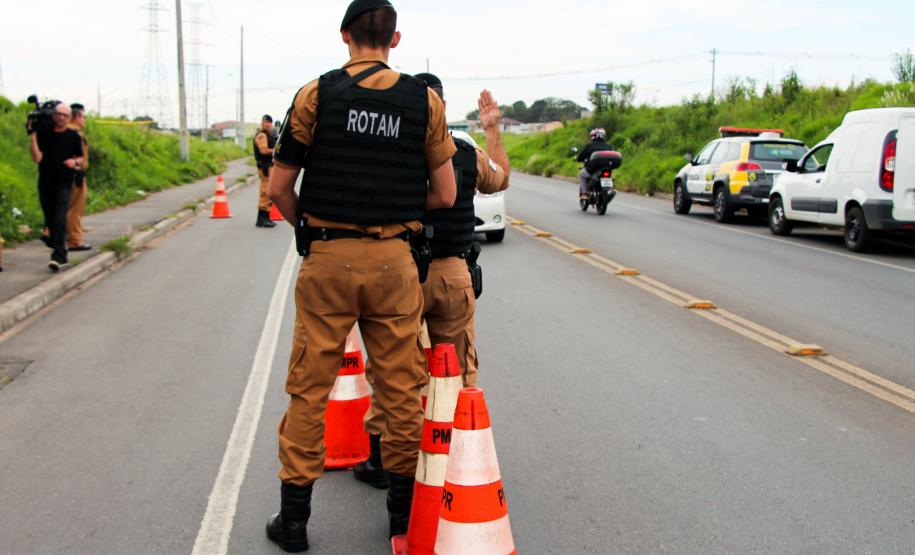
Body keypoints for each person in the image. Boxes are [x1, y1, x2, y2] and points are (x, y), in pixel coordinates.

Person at [265, 0, 457, 551]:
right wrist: (394, 209)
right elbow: (444, 194)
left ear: (345, 35)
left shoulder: (315, 94)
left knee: (309, 389)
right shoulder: (424, 100)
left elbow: (279, 188)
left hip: (327, 256)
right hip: (396, 261)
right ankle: (401, 519)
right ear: (395, 40)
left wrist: (314, 228)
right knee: (401, 391)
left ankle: (295, 523)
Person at [355, 76, 511, 489]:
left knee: (391, 368)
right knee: (457, 367)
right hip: (449, 273)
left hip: (397, 272)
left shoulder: (391, 147)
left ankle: (379, 459)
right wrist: (492, 131)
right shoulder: (464, 150)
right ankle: (460, 459)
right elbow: (500, 178)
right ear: (442, 106)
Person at [29, 102, 84, 272]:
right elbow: (37, 158)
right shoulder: (44, 134)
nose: (61, 117)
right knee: (51, 221)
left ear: (69, 118)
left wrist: (74, 161)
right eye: (58, 114)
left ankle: (58, 257)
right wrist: (32, 136)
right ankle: (60, 250)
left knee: (60, 219)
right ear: (53, 115)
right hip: (45, 183)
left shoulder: (73, 136)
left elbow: (80, 158)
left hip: (64, 183)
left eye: (65, 115)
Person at [66, 103, 92, 251]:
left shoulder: (64, 132)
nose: (84, 120)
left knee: (65, 206)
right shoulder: (73, 134)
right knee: (75, 209)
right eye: (83, 117)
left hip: (68, 174)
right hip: (75, 174)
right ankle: (75, 240)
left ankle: (53, 234)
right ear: (75, 118)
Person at [253, 114, 278, 228]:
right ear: (262, 123)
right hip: (265, 167)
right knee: (265, 191)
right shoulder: (262, 136)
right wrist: (276, 150)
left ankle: (265, 217)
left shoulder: (269, 135)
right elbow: (263, 151)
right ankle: (261, 218)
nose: (268, 124)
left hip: (269, 166)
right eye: (266, 122)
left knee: (268, 191)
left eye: (269, 122)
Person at [577, 127, 612, 199]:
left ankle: (584, 193)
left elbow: (581, 156)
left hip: (593, 169)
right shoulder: (608, 146)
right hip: (607, 168)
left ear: (594, 136)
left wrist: (578, 159)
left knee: (581, 175)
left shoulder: (590, 145)